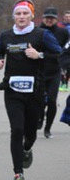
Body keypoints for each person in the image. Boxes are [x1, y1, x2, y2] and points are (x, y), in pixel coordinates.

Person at [0, 0, 62, 180]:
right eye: (18, 13)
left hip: (35, 91)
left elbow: (59, 54)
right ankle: (18, 173)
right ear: (13, 16)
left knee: (31, 132)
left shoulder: (42, 35)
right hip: (12, 90)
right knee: (17, 129)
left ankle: (26, 148)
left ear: (32, 15)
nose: (21, 16)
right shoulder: (6, 35)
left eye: (25, 13)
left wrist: (39, 55)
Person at [38, 7, 69, 137]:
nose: (49, 20)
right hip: (39, 71)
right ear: (43, 18)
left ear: (56, 19)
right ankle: (40, 117)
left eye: (52, 18)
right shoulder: (37, 31)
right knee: (39, 101)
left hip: (55, 71)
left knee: (51, 100)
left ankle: (48, 128)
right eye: (47, 18)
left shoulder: (63, 32)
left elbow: (65, 52)